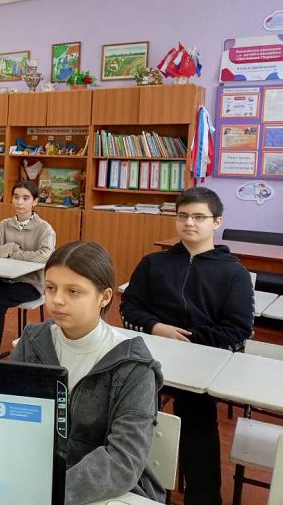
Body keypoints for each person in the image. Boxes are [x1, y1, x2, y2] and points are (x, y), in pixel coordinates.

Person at [120, 186, 254, 505]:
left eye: (198, 217)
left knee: (198, 422)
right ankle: (132, 488)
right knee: (126, 411)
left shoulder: (234, 273)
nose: (189, 223)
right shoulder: (153, 263)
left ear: (216, 222)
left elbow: (239, 330)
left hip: (201, 366)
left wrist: (189, 340)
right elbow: (129, 308)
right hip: (152, 357)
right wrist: (157, 328)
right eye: (183, 216)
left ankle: (203, 498)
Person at [12, 241, 165, 505]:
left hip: (105, 492)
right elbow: (8, 417)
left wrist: (48, 493)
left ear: (104, 297)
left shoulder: (134, 366)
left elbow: (122, 461)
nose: (57, 300)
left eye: (73, 291)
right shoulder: (33, 341)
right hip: (34, 476)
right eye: (51, 288)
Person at [0, 180, 56, 360]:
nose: (20, 202)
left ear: (35, 201)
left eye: (25, 198)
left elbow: (45, 256)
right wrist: (9, 249)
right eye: (16, 197)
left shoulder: (44, 228)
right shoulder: (4, 225)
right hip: (4, 281)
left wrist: (16, 254)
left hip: (30, 284)